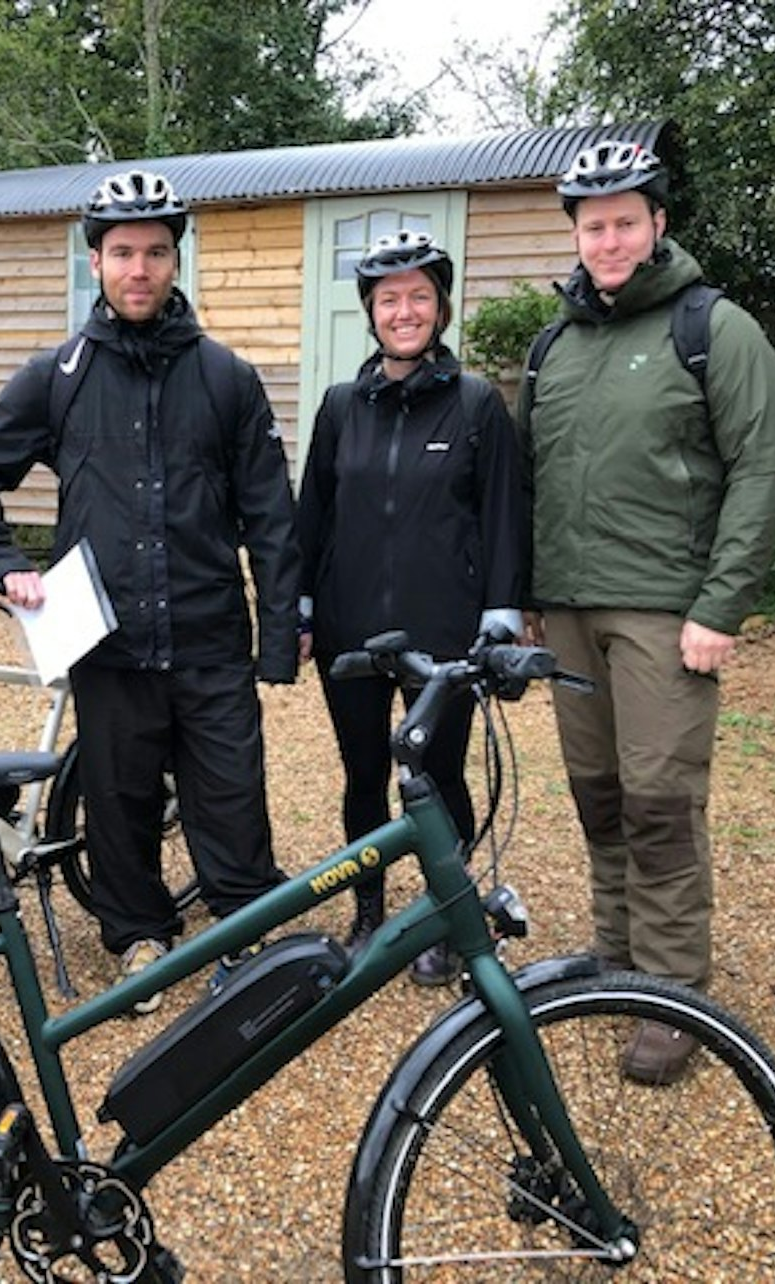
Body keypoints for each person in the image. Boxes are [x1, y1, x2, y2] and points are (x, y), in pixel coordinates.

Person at [0, 169, 300, 1013]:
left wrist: (279, 634)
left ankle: (241, 931)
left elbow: (271, 516)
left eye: (154, 253)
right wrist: (2, 562)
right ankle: (139, 933)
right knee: (120, 795)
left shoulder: (226, 378)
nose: (138, 269)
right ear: (96, 262)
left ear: (175, 262)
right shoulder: (58, 374)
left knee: (230, 793)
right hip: (104, 638)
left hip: (210, 632)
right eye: (121, 253)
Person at [519, 140, 775, 1081]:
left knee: (661, 801)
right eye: (592, 225)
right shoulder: (554, 344)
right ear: (576, 234)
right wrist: (526, 595)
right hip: (566, 609)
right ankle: (618, 953)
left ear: (658, 224)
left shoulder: (714, 329)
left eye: (625, 221)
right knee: (598, 792)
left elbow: (763, 470)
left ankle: (674, 990)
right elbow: (534, 476)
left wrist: (721, 604)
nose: (608, 239)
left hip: (666, 612)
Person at [297, 230, 526, 984]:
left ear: (441, 307)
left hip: (444, 626)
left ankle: (442, 917)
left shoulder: (475, 405)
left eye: (419, 297)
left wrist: (502, 610)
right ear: (371, 311)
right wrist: (301, 604)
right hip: (350, 624)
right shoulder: (339, 407)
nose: (405, 311)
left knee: (436, 773)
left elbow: (501, 515)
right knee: (364, 775)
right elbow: (313, 514)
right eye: (389, 299)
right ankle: (368, 911)